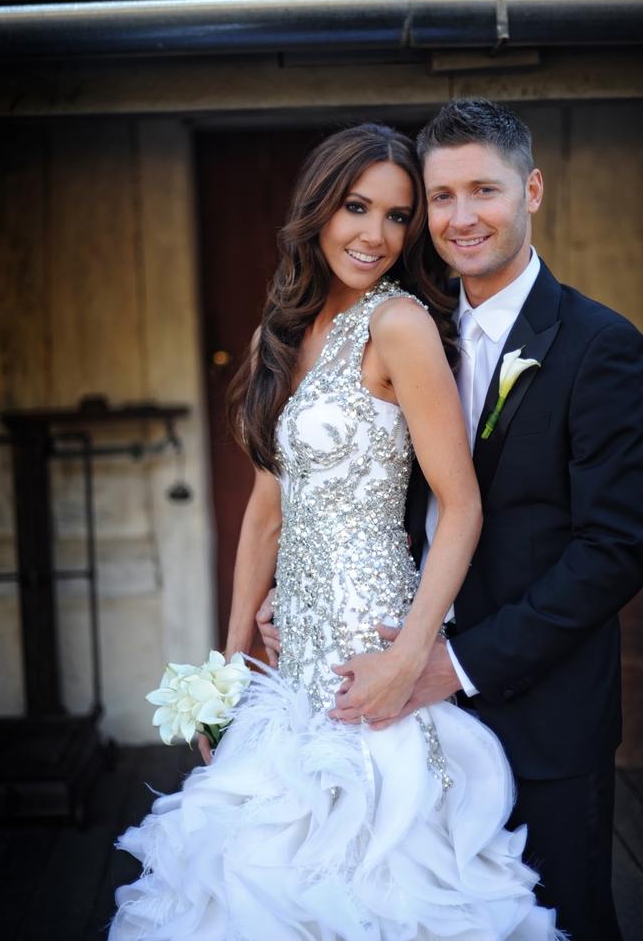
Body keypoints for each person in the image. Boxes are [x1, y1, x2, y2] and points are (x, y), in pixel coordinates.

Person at [110, 123, 563, 940]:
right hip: (295, 668)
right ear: (317, 210)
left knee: (380, 888)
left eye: (397, 216)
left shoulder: (400, 326)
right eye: (358, 208)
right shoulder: (277, 336)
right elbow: (264, 512)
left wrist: (406, 658)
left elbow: (461, 508)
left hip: (374, 649)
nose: (377, 236)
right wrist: (231, 669)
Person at [257, 100, 643, 940]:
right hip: (405, 705)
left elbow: (615, 550)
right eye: (440, 198)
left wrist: (452, 663)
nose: (461, 218)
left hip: (537, 713)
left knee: (556, 921)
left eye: (484, 191)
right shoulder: (410, 328)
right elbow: (369, 491)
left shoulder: (597, 344)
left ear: (532, 189)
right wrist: (304, 593)